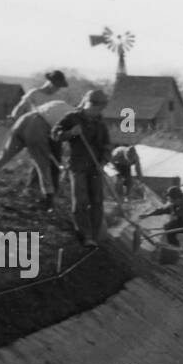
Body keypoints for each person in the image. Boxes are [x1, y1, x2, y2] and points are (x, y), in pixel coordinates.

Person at [0, 72, 71, 207]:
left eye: (59, 86)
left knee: (45, 164)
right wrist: (14, 116)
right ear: (49, 82)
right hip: (33, 128)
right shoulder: (34, 93)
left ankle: (37, 191)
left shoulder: (57, 98)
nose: (57, 88)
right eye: (56, 85)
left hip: (44, 130)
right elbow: (21, 106)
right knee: (35, 162)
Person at [51, 89, 112, 247]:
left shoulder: (101, 124)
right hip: (77, 166)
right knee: (81, 201)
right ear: (87, 103)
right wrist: (71, 133)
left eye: (100, 108)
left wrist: (104, 160)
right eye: (95, 107)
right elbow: (55, 134)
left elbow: (107, 145)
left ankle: (96, 235)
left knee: (97, 202)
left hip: (96, 167)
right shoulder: (72, 118)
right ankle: (85, 236)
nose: (97, 111)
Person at [141, 186, 183, 268]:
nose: (169, 200)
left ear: (177, 198)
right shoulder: (174, 204)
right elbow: (162, 210)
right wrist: (148, 214)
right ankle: (174, 251)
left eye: (170, 198)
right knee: (169, 227)